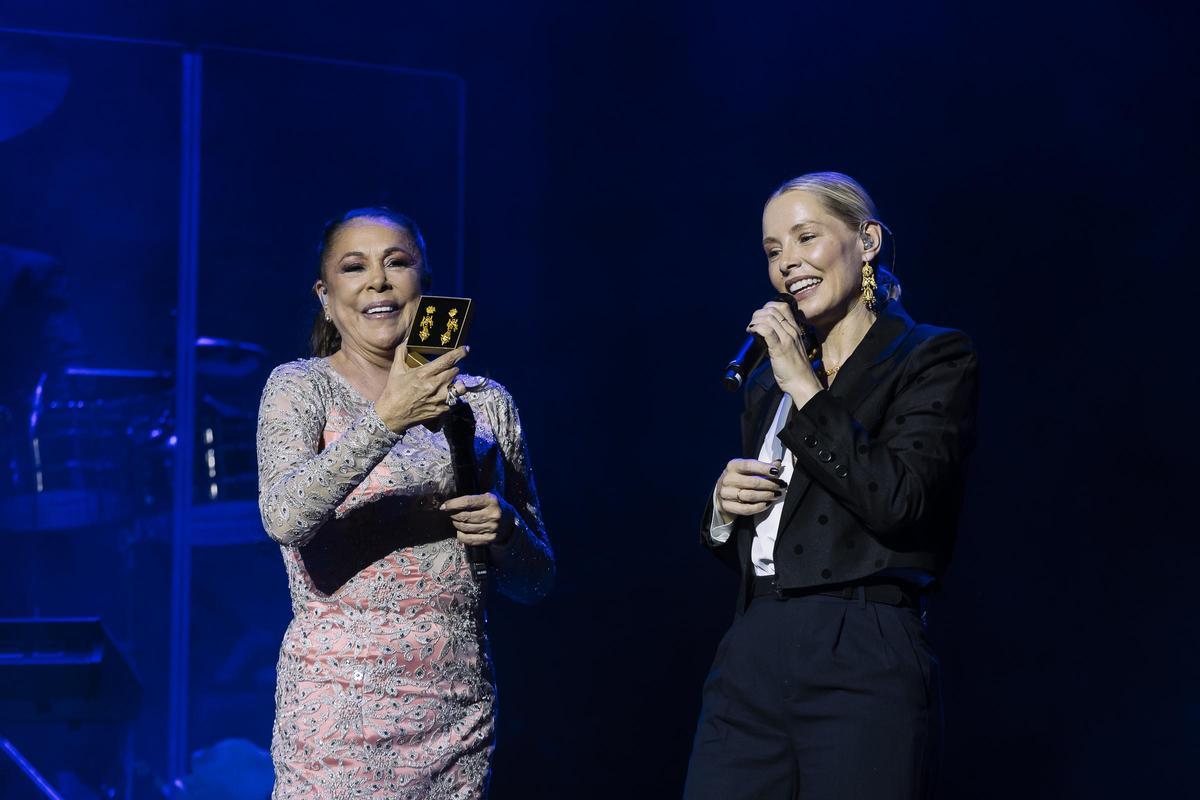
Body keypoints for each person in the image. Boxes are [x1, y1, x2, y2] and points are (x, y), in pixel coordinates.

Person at [684, 173, 979, 799]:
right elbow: (778, 539)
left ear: (866, 242)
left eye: (806, 238)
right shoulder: (770, 382)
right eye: (771, 251)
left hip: (863, 643)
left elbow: (899, 503)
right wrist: (722, 509)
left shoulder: (930, 358)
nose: (787, 263)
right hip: (755, 644)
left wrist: (806, 388)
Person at [256, 207, 554, 800]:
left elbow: (536, 579)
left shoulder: (486, 401)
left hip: (457, 709)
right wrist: (389, 416)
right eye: (354, 267)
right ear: (326, 294)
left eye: (397, 262)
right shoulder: (299, 386)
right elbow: (284, 517)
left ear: (424, 280)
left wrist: (508, 529)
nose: (379, 281)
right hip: (338, 707)